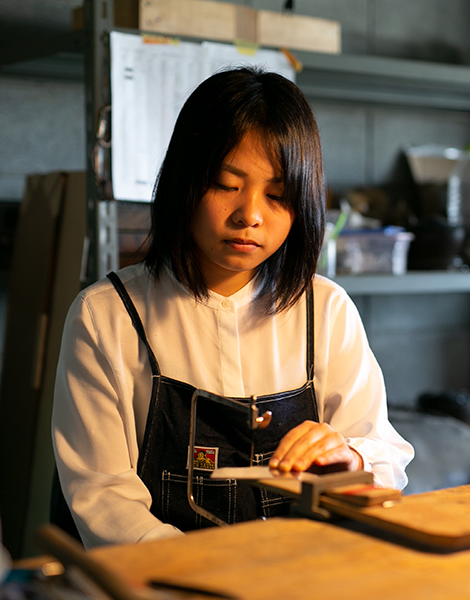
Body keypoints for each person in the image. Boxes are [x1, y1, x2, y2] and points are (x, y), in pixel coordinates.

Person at [52, 66, 414, 548]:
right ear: (185, 181)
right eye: (227, 184)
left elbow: (385, 459)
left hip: (302, 573)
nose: (251, 215)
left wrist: (349, 460)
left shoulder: (325, 311)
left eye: (278, 194)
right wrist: (212, 576)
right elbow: (105, 502)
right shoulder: (107, 317)